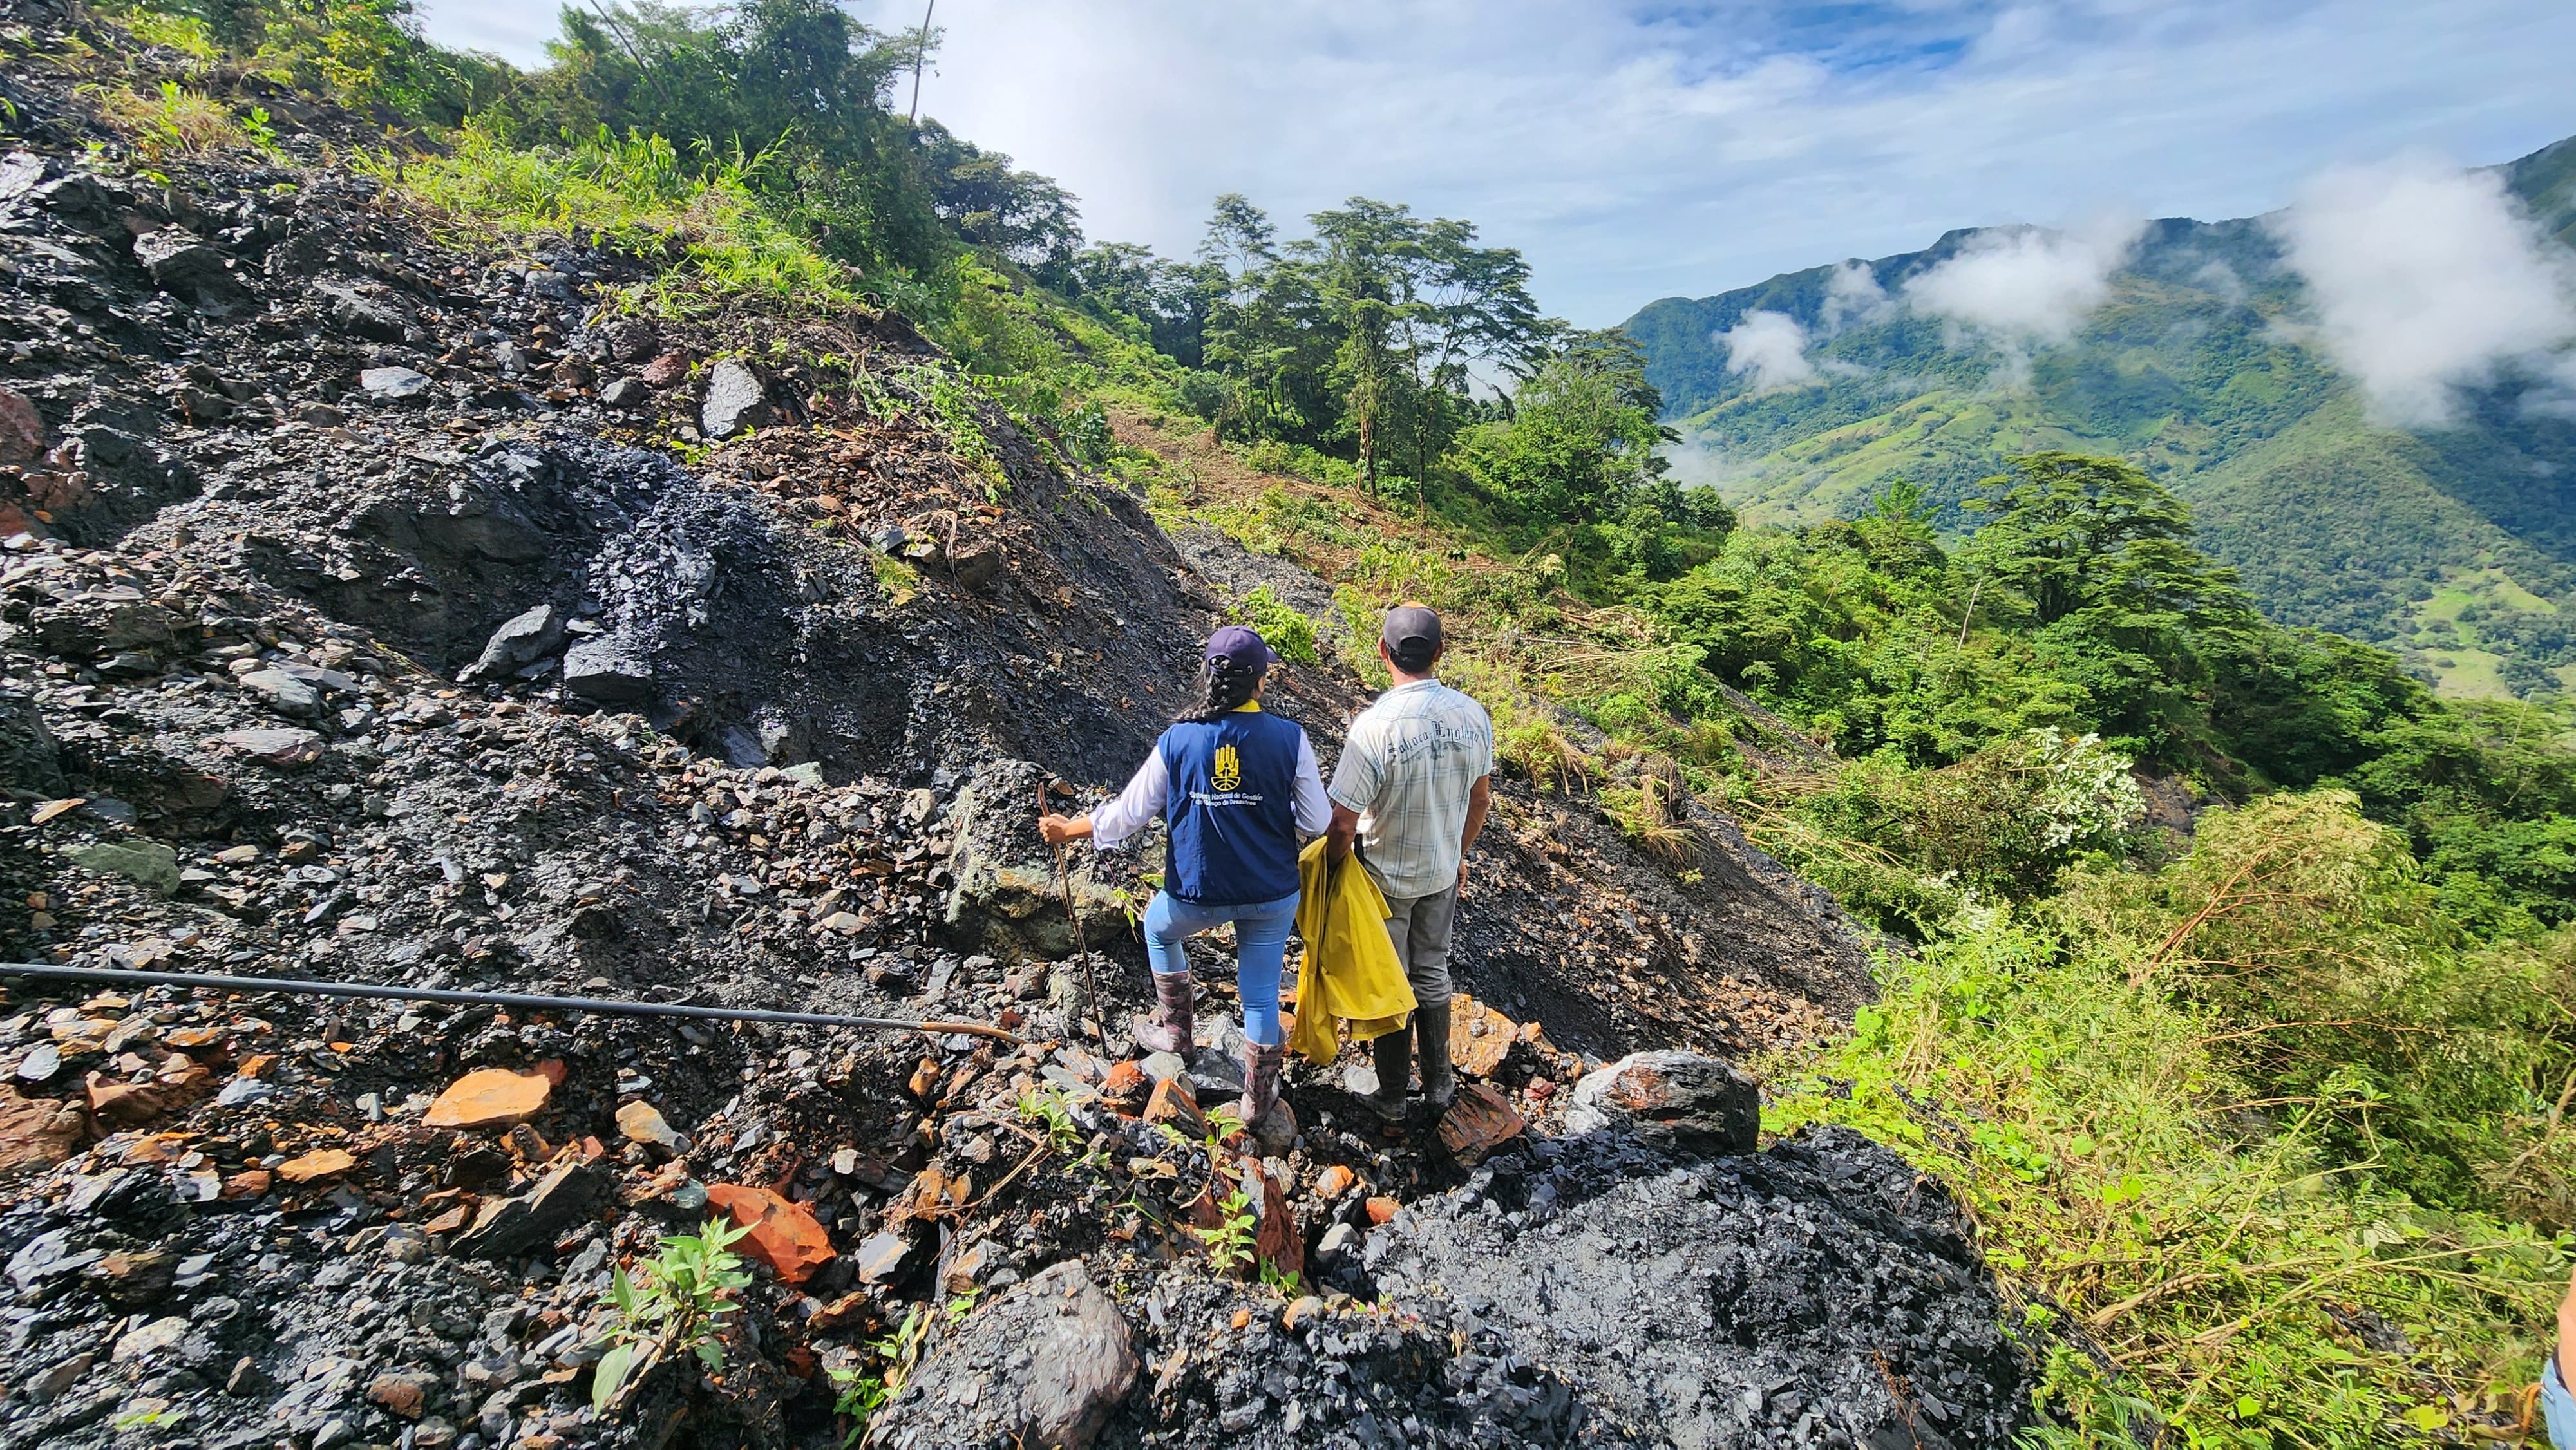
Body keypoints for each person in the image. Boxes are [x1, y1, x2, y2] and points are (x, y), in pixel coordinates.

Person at [1039, 625, 1331, 1125]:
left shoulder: (1178, 741)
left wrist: (1072, 829)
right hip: (1271, 892)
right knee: (1260, 994)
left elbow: (1129, 814)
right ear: (1260, 682)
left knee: (1157, 927)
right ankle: (1257, 1100)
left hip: (1198, 892)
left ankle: (1178, 1038)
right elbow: (1317, 823)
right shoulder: (1291, 739)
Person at [1325, 602, 1494, 1120]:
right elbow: (1481, 799)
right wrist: (1458, 854)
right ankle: (1441, 1087)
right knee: (1432, 971)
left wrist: (1334, 872)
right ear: (1441, 653)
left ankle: (1394, 1096)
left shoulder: (1373, 728)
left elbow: (1343, 823)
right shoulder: (1473, 715)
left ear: (1383, 652)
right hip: (1441, 873)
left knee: (1391, 983)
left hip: (1383, 881)